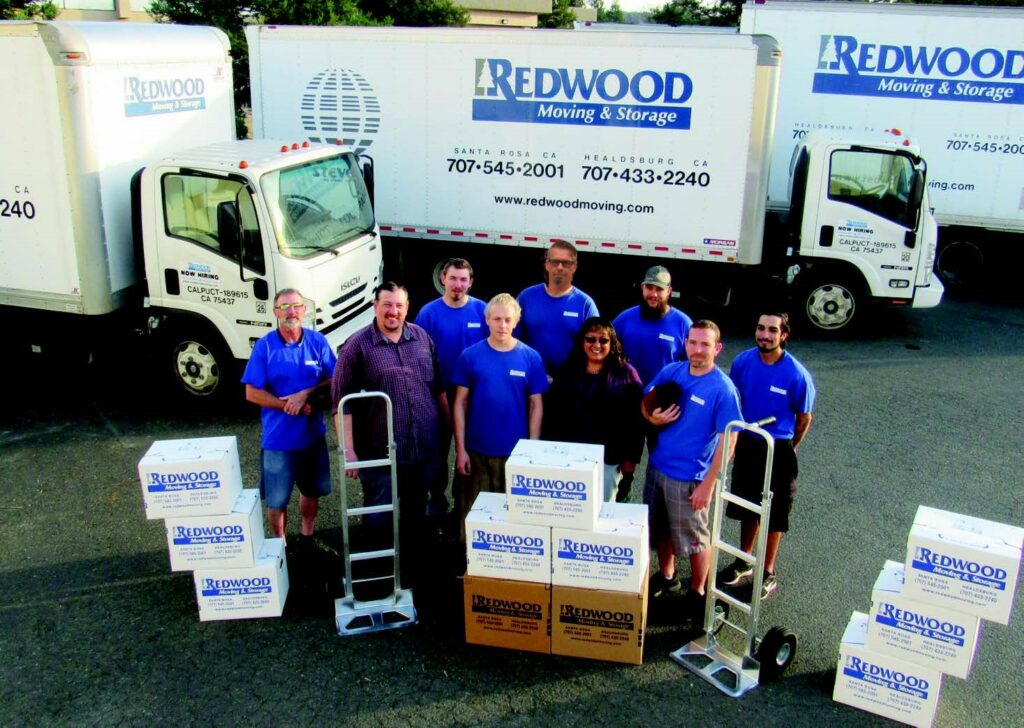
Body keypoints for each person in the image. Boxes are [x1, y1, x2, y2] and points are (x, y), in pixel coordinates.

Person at [331, 282, 447, 579]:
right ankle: (376, 575)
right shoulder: (357, 346)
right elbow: (341, 403)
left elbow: (438, 389)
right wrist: (348, 451)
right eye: (387, 305)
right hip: (379, 452)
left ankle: (412, 572)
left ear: (407, 308)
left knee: (415, 511)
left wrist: (450, 433)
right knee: (378, 514)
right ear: (375, 306)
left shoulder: (422, 337)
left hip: (422, 448)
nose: (393, 311)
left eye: (399, 305)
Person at [641, 320, 742, 620]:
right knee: (659, 529)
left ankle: (698, 592)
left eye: (705, 344)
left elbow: (729, 440)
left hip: (690, 478)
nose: (698, 350)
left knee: (696, 540)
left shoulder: (723, 389)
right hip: (658, 467)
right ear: (686, 344)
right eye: (693, 343)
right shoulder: (672, 371)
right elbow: (646, 398)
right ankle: (668, 575)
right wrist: (651, 418)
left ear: (717, 348)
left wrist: (708, 485)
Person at [717, 313, 816, 600]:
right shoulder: (743, 362)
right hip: (749, 441)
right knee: (747, 505)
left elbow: (804, 418)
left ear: (784, 335)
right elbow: (735, 398)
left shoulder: (797, 374)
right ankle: (744, 560)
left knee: (774, 512)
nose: (765, 335)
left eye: (772, 330)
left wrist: (791, 447)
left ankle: (767, 572)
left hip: (778, 448)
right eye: (761, 328)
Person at [242, 288, 336, 550]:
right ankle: (279, 545)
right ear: (275, 312)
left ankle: (307, 537)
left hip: (312, 437)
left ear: (304, 310)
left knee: (311, 491)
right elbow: (251, 392)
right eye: (284, 307)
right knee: (276, 500)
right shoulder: (265, 346)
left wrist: (305, 395)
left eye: (296, 306)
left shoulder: (317, 342)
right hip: (278, 441)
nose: (291, 312)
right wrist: (288, 405)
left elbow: (334, 379)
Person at [452, 293, 548, 534]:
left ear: (516, 321)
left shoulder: (531, 358)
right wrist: (461, 450)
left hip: (515, 452)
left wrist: (532, 449)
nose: (502, 325)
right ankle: (469, 555)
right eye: (496, 319)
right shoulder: (470, 356)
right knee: (474, 516)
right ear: (487, 320)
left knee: (512, 517)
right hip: (477, 451)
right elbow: (460, 403)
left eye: (507, 320)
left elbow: (536, 405)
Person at [414, 258, 487, 521]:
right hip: (439, 397)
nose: (458, 284)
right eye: (453, 278)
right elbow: (419, 356)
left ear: (471, 282)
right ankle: (437, 500)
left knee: (469, 452)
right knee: (438, 454)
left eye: (463, 279)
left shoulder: (482, 310)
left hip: (474, 398)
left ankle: (462, 502)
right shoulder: (428, 314)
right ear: (443, 278)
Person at [612, 265, 693, 501]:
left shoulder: (683, 324)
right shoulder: (624, 319)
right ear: (642, 288)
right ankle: (622, 496)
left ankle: (659, 503)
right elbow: (609, 354)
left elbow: (691, 367)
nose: (653, 294)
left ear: (670, 291)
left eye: (659, 289)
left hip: (663, 404)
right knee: (626, 457)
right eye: (649, 288)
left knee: (662, 458)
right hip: (628, 400)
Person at [543, 317, 644, 502]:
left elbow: (635, 423)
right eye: (590, 339)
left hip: (608, 460)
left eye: (603, 340)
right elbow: (553, 416)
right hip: (569, 457)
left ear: (612, 343)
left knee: (603, 512)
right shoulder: (566, 371)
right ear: (582, 341)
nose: (596, 345)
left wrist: (630, 463)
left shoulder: (627, 374)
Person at [516, 239, 599, 376]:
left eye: (566, 263)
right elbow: (510, 339)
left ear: (574, 267)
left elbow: (595, 347)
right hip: (531, 378)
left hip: (569, 382)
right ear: (547, 264)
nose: (560, 267)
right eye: (555, 262)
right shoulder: (527, 297)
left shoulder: (585, 304)